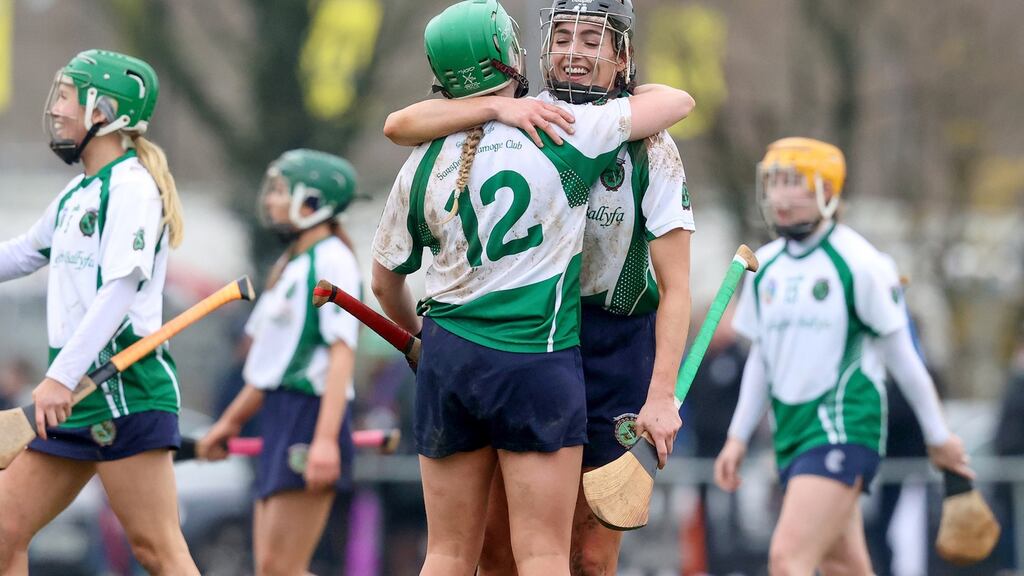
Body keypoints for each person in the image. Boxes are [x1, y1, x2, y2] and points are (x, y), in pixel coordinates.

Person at [371, 1, 693, 573]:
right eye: (563, 36)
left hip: (614, 346)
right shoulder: (518, 114)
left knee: (591, 555)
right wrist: (498, 103)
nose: (574, 52)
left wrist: (661, 394)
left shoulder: (651, 144)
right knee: (499, 550)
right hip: (532, 344)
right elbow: (402, 124)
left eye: (593, 40)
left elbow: (676, 287)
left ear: (621, 56)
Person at [712, 137, 974, 575]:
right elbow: (762, 358)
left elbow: (904, 358)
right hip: (791, 433)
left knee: (787, 557)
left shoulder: (861, 264)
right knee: (842, 565)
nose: (779, 195)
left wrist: (939, 434)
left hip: (843, 426)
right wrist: (738, 436)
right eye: (774, 182)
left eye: (793, 183)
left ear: (828, 192)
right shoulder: (764, 268)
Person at [0, 49, 196, 574]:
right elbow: (20, 253)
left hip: (122, 385)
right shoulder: (77, 193)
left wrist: (60, 377)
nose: (56, 109)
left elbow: (119, 291)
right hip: (73, 396)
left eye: (67, 96)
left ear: (103, 112)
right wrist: (63, 382)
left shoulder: (132, 187)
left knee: (157, 548)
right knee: (2, 532)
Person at [196, 149, 361, 576]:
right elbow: (267, 369)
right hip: (279, 416)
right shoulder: (292, 266)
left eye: (281, 191)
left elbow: (341, 354)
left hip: (311, 417)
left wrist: (325, 441)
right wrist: (229, 423)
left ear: (312, 202)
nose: (270, 200)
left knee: (283, 567)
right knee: (272, 567)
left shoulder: (332, 260)